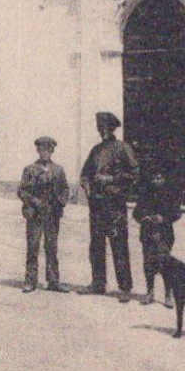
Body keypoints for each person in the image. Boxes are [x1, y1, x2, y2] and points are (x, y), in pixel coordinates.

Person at [78, 110, 137, 300]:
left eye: (105, 128)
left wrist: (111, 178)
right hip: (97, 205)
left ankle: (125, 288)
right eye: (100, 128)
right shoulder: (95, 150)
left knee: (118, 244)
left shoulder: (122, 148)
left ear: (112, 129)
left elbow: (135, 174)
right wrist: (87, 187)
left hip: (115, 205)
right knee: (96, 245)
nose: (102, 131)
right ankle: (98, 282)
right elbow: (85, 174)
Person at [17, 136, 69, 293]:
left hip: (52, 214)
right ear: (38, 151)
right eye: (41, 150)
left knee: (52, 248)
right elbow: (22, 190)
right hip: (35, 214)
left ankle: (53, 281)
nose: (44, 153)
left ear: (51, 151)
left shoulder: (58, 170)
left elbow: (65, 189)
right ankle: (30, 281)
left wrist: (61, 201)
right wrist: (33, 201)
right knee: (33, 247)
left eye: (47, 150)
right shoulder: (30, 170)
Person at [134, 163, 181, 306]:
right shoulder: (145, 194)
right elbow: (136, 213)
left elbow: (176, 212)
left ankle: (168, 295)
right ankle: (150, 292)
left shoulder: (170, 194)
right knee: (148, 264)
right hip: (148, 233)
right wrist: (145, 218)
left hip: (164, 234)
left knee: (165, 264)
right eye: (154, 178)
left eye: (160, 178)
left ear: (164, 179)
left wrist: (164, 218)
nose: (157, 181)